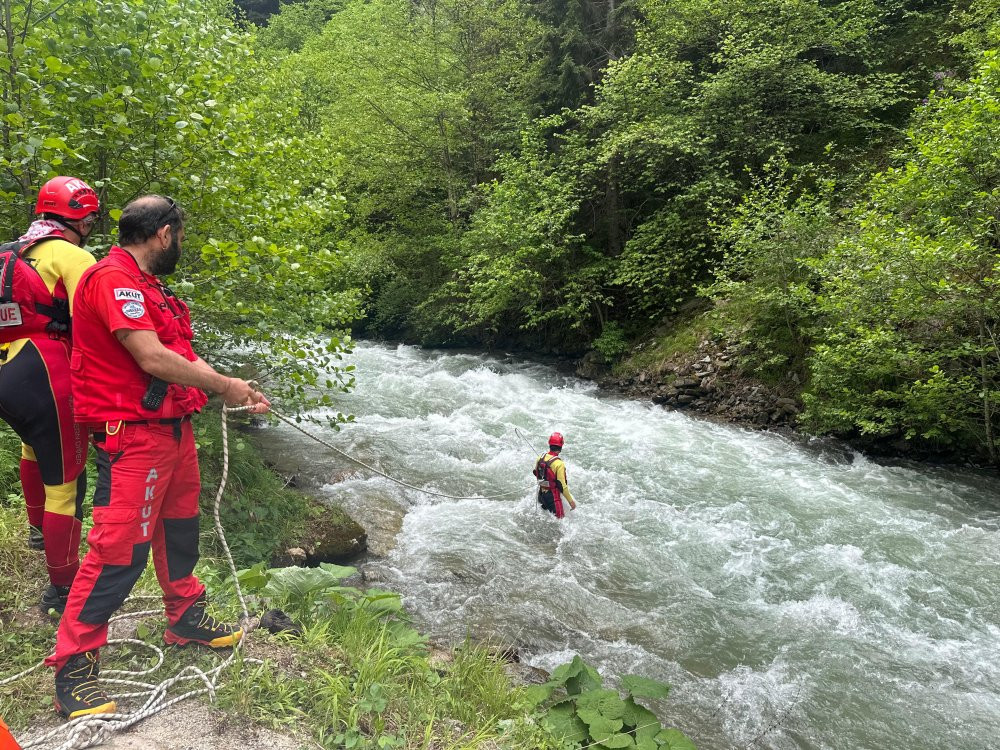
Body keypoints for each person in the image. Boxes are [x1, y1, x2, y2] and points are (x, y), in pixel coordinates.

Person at [45, 195, 270, 719]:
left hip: (172, 432)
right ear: (164, 234)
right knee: (117, 552)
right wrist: (224, 384)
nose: (180, 245)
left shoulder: (150, 288)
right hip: (135, 439)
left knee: (180, 528)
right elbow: (150, 356)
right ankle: (74, 667)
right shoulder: (112, 280)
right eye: (180, 237)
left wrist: (235, 389)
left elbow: (182, 352)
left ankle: (185, 616)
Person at [0, 176, 100, 615]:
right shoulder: (73, 255)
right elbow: (95, 325)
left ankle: (38, 530)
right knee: (66, 483)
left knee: (32, 446)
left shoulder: (9, 250)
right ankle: (62, 589)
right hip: (45, 369)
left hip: (7, 368)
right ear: (80, 218)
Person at [533, 431, 577, 518]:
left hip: (541, 495)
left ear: (550, 444)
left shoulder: (540, 457)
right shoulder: (559, 464)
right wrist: (571, 502)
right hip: (553, 498)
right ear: (561, 446)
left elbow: (535, 472)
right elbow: (562, 486)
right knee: (560, 521)